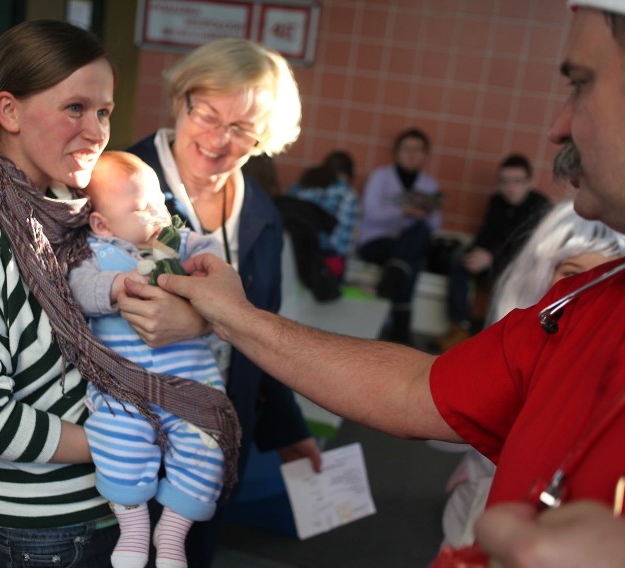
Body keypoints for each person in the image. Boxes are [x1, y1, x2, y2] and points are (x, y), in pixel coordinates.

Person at [150, 2, 625, 564]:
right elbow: (415, 389)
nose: (557, 126)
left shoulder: (262, 214)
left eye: (580, 83)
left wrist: (267, 393)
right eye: (207, 113)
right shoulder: (586, 304)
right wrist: (236, 318)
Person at [0, 19, 240, 567]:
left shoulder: (76, 202)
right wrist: (136, 434)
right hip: (53, 527)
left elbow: (177, 257)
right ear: (8, 111)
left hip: (121, 502)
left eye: (104, 111)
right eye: (75, 108)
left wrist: (195, 319)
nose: (96, 131)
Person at [123, 37, 321, 567]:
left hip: (213, 443)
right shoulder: (117, 182)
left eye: (242, 128)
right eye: (207, 113)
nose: (217, 139)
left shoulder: (260, 213)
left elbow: (263, 328)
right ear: (180, 98)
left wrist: (287, 427)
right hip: (129, 437)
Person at [69, 151, 228, 568]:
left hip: (192, 384)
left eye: (160, 202)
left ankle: (172, 533)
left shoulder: (175, 241)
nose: (157, 214)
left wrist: (205, 264)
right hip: (126, 387)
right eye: (142, 209)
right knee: (116, 441)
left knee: (209, 447)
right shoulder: (94, 253)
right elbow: (79, 288)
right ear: (102, 223)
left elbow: (216, 259)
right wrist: (119, 284)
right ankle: (135, 527)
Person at [438, 200, 625, 551]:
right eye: (571, 275)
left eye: (605, 282)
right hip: (479, 506)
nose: (587, 298)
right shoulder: (518, 347)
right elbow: (421, 400)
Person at [434, 153, 551, 352]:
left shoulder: (541, 207)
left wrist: (491, 260)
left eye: (517, 181)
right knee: (459, 259)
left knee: (508, 277)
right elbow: (486, 235)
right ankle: (460, 326)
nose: (510, 188)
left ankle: (497, 336)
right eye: (504, 181)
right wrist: (475, 254)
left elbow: (531, 254)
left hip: (524, 269)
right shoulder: (497, 201)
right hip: (497, 261)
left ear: (529, 182)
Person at [356, 127, 442, 343]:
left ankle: (390, 284)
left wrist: (424, 213)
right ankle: (402, 334)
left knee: (417, 237)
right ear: (397, 152)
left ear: (425, 154)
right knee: (408, 263)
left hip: (407, 244)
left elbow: (435, 225)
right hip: (375, 242)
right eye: (406, 149)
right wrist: (404, 211)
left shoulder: (429, 184)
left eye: (417, 150)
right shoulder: (380, 176)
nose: (411, 154)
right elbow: (371, 213)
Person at [286, 150, 360, 285]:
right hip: (323, 262)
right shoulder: (347, 194)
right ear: (347, 174)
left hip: (292, 255)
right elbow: (342, 240)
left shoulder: (299, 186)